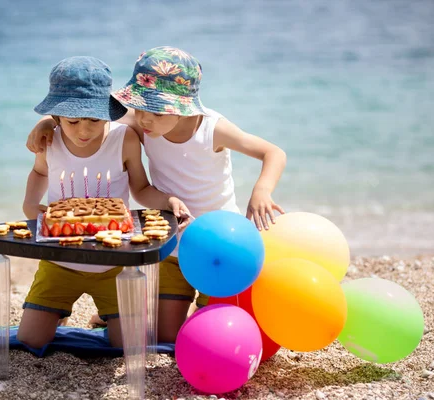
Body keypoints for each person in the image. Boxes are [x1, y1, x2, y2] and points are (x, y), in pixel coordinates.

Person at [25, 47, 287, 338]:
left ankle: (188, 310)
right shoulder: (146, 123)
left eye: (153, 112)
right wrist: (46, 122)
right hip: (172, 246)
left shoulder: (214, 130)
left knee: (215, 331)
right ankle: (117, 313)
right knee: (164, 338)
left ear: (180, 109)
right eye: (138, 109)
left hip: (218, 244)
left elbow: (272, 152)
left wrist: (262, 190)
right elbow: (85, 116)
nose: (143, 120)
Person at [17, 56, 190, 350]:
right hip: (60, 262)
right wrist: (30, 204)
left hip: (113, 265)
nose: (84, 131)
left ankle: (108, 316)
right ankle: (56, 311)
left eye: (95, 120)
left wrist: (169, 199)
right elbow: (39, 172)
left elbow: (142, 189)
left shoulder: (124, 140)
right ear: (57, 117)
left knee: (127, 346)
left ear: (108, 114)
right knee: (30, 341)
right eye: (73, 121)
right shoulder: (50, 140)